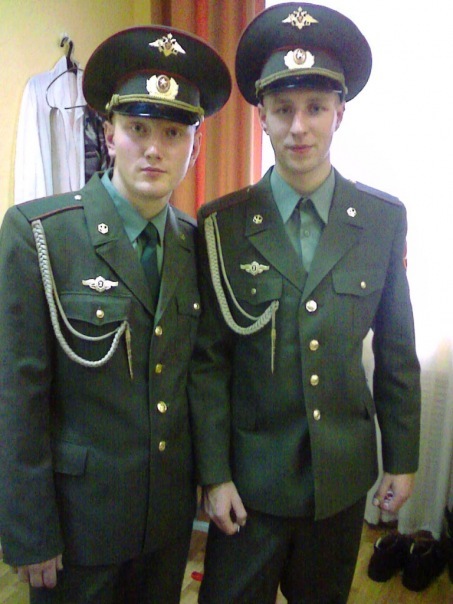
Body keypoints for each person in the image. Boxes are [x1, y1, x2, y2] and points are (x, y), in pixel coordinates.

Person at [188, 4, 421, 603]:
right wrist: (214, 474)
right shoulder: (221, 226)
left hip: (338, 483)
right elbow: (208, 364)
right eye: (283, 109)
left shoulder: (381, 220)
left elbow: (397, 350)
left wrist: (402, 458)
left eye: (315, 108)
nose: (299, 127)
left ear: (340, 114)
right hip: (250, 486)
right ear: (261, 116)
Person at [0, 25, 230, 604]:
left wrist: (212, 477)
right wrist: (29, 530)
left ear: (194, 146)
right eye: (138, 128)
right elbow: (16, 397)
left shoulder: (195, 242)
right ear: (109, 134)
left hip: (166, 522)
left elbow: (197, 375)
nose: (154, 148)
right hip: (79, 527)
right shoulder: (40, 235)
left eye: (173, 132)